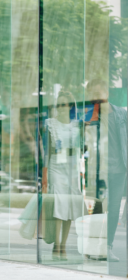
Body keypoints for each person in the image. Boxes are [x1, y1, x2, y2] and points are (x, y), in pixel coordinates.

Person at [86, 79, 127, 262]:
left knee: (114, 208)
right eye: (94, 93)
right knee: (97, 208)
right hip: (99, 170)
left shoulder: (120, 113)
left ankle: (107, 246)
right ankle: (93, 246)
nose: (98, 96)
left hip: (119, 169)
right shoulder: (90, 115)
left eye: (100, 91)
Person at [42, 90, 85, 260]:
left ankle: (63, 244)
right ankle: (56, 244)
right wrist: (44, 175)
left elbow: (81, 150)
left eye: (64, 104)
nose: (61, 108)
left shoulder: (77, 125)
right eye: (58, 104)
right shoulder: (51, 124)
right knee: (59, 204)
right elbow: (47, 151)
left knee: (70, 205)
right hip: (55, 168)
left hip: (71, 168)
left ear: (70, 106)